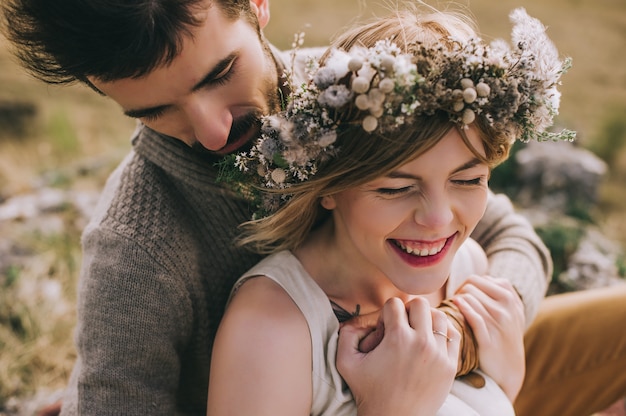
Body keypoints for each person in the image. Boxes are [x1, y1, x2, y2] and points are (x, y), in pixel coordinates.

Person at [0, 0, 624, 415]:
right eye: (154, 111)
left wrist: (466, 339)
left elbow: (505, 232)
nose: (213, 132)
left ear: (258, 5)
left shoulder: (355, 92)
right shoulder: (136, 247)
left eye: (219, 73)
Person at [207, 7, 568, 415]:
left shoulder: (468, 272)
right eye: (396, 188)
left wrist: (504, 385)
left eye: (468, 180)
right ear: (329, 187)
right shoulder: (270, 330)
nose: (437, 219)